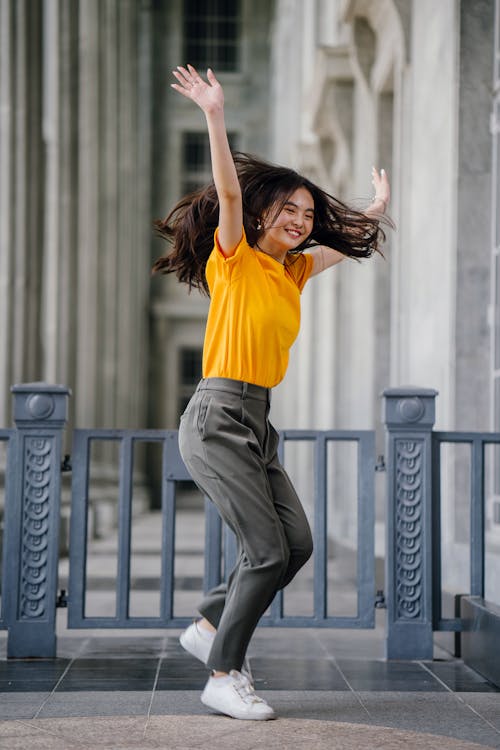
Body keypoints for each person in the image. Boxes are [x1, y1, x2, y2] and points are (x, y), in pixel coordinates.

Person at [153, 64, 390, 721]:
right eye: (289, 209)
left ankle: (208, 621)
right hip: (217, 414)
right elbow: (228, 196)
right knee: (264, 552)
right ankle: (222, 673)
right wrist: (214, 113)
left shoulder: (294, 270)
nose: (300, 220)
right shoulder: (235, 258)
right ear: (263, 213)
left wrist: (370, 211)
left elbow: (344, 247)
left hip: (257, 420)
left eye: (308, 214)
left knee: (297, 545)